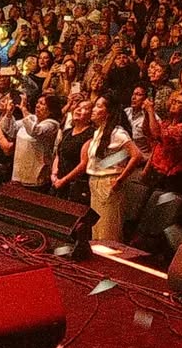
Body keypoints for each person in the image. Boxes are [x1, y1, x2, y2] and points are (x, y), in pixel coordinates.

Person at [55, 96, 143, 242]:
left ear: (108, 112)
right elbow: (112, 158)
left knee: (107, 230)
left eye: (98, 106)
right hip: (95, 182)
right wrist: (108, 163)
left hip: (108, 183)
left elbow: (137, 155)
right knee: (96, 229)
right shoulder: (98, 132)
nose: (94, 110)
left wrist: (120, 179)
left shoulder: (117, 133)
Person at [142, 90, 182, 193]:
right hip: (157, 173)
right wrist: (146, 114)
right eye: (174, 101)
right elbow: (147, 131)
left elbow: (157, 134)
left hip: (172, 177)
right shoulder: (166, 123)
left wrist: (150, 111)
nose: (174, 103)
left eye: (178, 102)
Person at [12, 92, 62, 189]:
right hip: (18, 173)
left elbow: (35, 131)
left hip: (36, 176)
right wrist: (8, 113)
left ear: (51, 110)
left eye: (42, 104)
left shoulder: (52, 125)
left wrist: (24, 109)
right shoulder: (32, 118)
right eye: (37, 103)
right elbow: (11, 129)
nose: (37, 106)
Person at [54, 98, 94, 204]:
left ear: (91, 115)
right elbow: (58, 154)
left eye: (85, 108)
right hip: (58, 179)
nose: (79, 110)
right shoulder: (67, 131)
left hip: (75, 184)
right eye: (78, 107)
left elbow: (83, 164)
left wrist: (63, 180)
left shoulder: (90, 134)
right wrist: (54, 174)